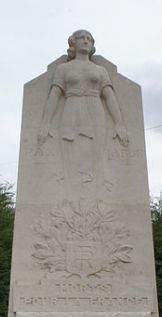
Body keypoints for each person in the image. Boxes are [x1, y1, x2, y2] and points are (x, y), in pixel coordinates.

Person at [38, 30, 128, 195]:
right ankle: (70, 192)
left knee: (96, 152)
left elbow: (109, 96)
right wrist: (46, 122)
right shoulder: (63, 69)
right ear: (74, 43)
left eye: (89, 39)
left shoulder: (100, 71)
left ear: (92, 45)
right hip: (71, 109)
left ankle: (97, 191)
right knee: (69, 152)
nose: (86, 41)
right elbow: (54, 95)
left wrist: (119, 123)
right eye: (82, 38)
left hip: (95, 111)